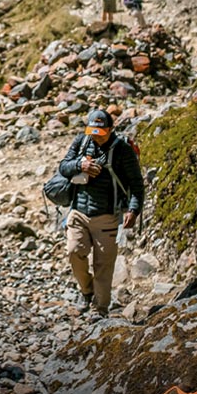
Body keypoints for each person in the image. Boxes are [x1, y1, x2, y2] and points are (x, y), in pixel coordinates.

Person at [58, 107, 144, 318]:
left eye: (101, 134)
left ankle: (100, 309)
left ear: (110, 129)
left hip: (107, 215)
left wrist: (133, 209)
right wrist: (81, 164)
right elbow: (63, 167)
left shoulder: (123, 151)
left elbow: (136, 184)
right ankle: (87, 291)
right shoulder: (82, 142)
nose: (97, 138)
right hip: (78, 211)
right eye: (93, 133)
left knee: (103, 266)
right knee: (73, 251)